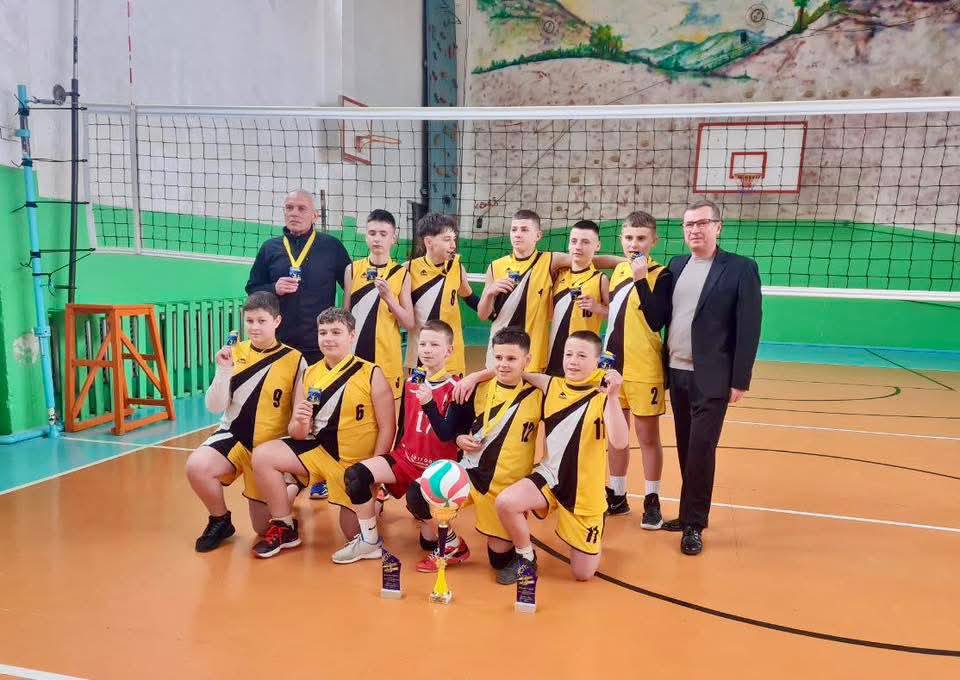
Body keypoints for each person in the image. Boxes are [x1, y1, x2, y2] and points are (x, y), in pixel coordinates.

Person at [249, 308, 396, 559]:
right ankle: (285, 526)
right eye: (323, 332)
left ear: (352, 336)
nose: (328, 338)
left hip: (354, 465)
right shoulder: (309, 373)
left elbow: (388, 427)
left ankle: (376, 502)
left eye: (336, 332)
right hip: (318, 452)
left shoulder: (371, 373)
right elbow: (296, 433)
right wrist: (300, 420)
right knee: (263, 456)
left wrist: (374, 473)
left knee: (352, 533)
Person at [662, 199, 762, 556]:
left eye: (702, 223)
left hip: (713, 376)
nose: (695, 230)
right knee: (686, 446)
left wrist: (740, 379)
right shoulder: (676, 265)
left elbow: (749, 327)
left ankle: (694, 524)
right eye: (689, 224)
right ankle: (687, 512)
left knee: (702, 450)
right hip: (676, 371)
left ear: (718, 227)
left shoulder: (740, 268)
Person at [411, 327, 544, 583]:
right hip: (470, 473)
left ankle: (523, 552)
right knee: (419, 493)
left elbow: (564, 388)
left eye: (512, 358)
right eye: (498, 358)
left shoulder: (538, 394)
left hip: (505, 488)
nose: (503, 364)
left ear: (527, 360)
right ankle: (453, 544)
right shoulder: (474, 388)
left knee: (499, 561)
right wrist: (459, 438)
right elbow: (450, 431)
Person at [333, 320, 469, 568]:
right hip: (406, 458)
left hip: (436, 467)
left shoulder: (457, 389)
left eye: (434, 345)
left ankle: (452, 543)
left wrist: (429, 403)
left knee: (426, 534)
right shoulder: (411, 382)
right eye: (423, 344)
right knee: (356, 475)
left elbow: (446, 434)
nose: (427, 350)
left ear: (449, 351)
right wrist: (387, 466)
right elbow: (404, 425)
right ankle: (369, 541)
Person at [495, 331, 629, 581]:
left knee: (582, 574)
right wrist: (474, 377)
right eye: (569, 354)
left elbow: (620, 441)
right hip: (549, 477)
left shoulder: (603, 396)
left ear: (598, 361)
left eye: (581, 356)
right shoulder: (551, 385)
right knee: (506, 502)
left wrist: (613, 396)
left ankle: (597, 520)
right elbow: (514, 372)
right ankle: (526, 558)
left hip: (584, 492)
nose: (573, 361)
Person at [184, 292, 306, 552]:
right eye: (249, 321)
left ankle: (291, 486)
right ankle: (220, 520)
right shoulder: (233, 353)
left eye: (262, 321)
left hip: (270, 448)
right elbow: (214, 407)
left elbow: (299, 413)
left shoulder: (295, 360)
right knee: (196, 465)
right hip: (235, 437)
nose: (254, 327)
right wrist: (223, 370)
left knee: (262, 528)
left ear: (277, 321)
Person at [477, 209, 621, 373]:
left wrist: (632, 262)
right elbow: (483, 315)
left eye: (524, 230)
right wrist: (489, 293)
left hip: (534, 354)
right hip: (500, 349)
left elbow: (589, 259)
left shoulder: (550, 261)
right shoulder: (495, 267)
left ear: (538, 235)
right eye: (514, 229)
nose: (517, 234)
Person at [603, 211, 673, 528]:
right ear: (621, 239)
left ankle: (652, 499)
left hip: (644, 369)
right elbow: (618, 314)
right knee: (616, 437)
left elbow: (656, 320)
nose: (634, 244)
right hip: (612, 368)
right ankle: (617, 496)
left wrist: (641, 277)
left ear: (654, 241)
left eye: (641, 238)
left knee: (647, 437)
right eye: (629, 237)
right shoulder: (619, 270)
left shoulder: (662, 275)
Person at [245, 189, 351, 366]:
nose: (294, 213)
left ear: (315, 216)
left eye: (302, 208)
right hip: (279, 342)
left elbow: (352, 286)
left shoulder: (332, 247)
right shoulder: (269, 248)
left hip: (320, 342)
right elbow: (252, 288)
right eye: (289, 207)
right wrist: (274, 288)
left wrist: (345, 323)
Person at [343, 209, 415, 399]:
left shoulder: (402, 274)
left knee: (388, 413)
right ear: (366, 236)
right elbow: (345, 316)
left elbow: (409, 323)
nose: (377, 239)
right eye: (372, 233)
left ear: (393, 238)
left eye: (383, 234)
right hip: (355, 355)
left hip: (387, 359)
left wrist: (389, 298)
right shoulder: (352, 270)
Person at [405, 212, 478, 377]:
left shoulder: (457, 267)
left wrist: (496, 310)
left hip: (451, 357)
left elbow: (469, 297)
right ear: (429, 242)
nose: (453, 245)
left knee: (452, 394)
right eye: (447, 239)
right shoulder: (408, 270)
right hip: (421, 356)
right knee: (418, 393)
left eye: (454, 239)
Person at [546, 219, 609, 376]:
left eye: (585, 242)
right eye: (574, 241)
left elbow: (616, 314)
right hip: (552, 354)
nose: (578, 247)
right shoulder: (558, 274)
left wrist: (597, 308)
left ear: (597, 246)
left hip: (583, 357)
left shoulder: (600, 279)